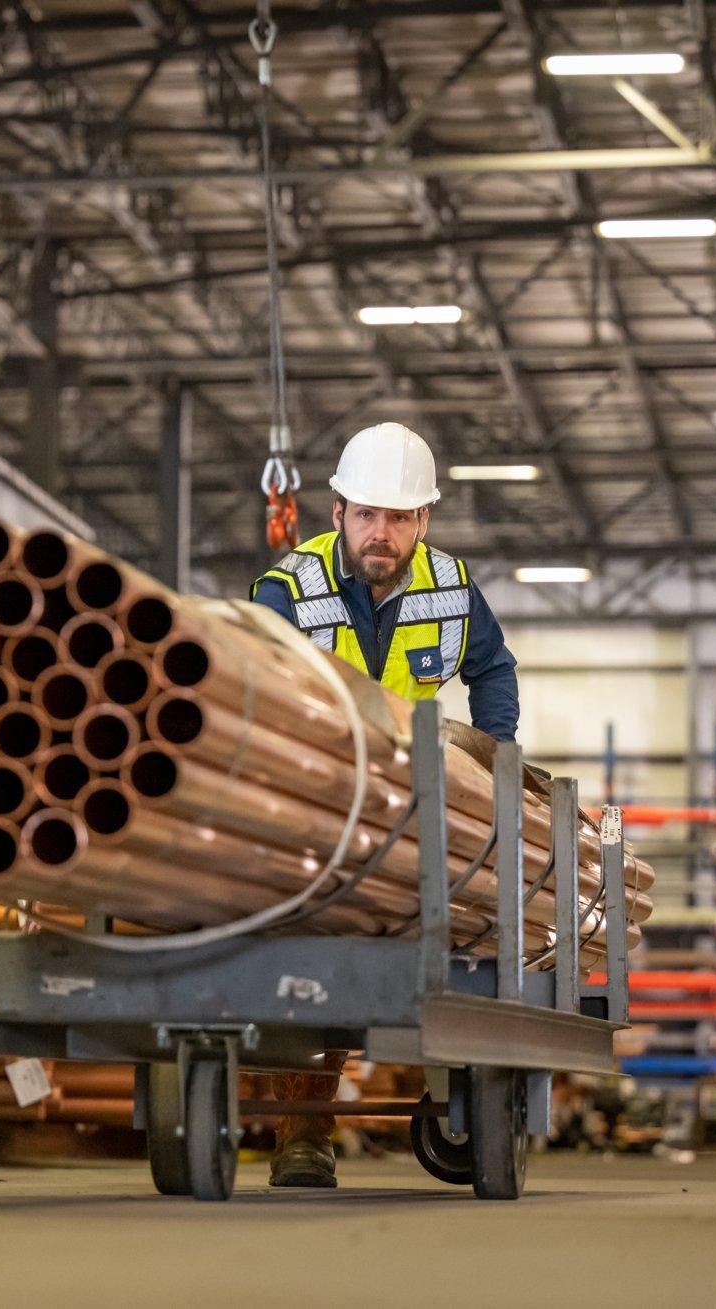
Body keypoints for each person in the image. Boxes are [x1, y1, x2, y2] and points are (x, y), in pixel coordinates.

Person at [247, 421, 521, 1188]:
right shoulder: (285, 590)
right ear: (336, 511)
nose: (383, 531)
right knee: (309, 953)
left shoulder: (451, 585)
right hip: (314, 806)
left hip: (417, 809)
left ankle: (451, 1088)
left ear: (423, 521)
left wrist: (492, 760)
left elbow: (494, 670)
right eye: (368, 513)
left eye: (399, 517)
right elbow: (256, 683)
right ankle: (303, 1135)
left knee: (439, 943)